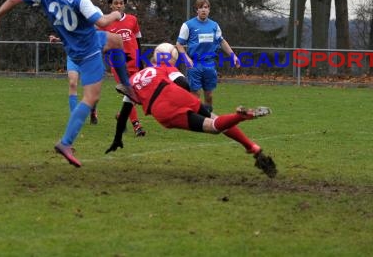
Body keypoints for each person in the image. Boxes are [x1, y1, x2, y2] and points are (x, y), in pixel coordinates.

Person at [0, 0, 140, 168]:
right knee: (91, 96)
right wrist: (116, 14)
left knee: (115, 40)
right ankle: (66, 143)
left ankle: (126, 85)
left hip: (75, 46)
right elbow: (103, 22)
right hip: (89, 50)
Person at [105, 44, 277, 178]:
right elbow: (184, 84)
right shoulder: (164, 68)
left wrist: (117, 139)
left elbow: (124, 114)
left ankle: (240, 118)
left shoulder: (134, 79)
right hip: (178, 95)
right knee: (216, 120)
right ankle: (252, 146)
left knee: (213, 127)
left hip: (163, 108)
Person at [176, 0, 240, 113]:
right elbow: (179, 44)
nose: (203, 10)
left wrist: (233, 56)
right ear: (196, 10)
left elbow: (221, 41)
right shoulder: (188, 25)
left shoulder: (214, 25)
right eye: (200, 8)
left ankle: (208, 116)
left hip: (209, 64)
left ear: (209, 10)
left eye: (206, 7)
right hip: (194, 64)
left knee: (209, 95)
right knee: (195, 94)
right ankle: (196, 120)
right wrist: (186, 58)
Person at [49, 0, 99, 125]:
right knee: (72, 83)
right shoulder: (67, 14)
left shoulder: (93, 12)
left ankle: (93, 110)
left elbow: (101, 28)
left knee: (91, 89)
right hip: (73, 55)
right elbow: (69, 36)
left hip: (90, 55)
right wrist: (57, 38)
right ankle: (74, 118)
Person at [98, 0, 145, 136]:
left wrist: (140, 59)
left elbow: (137, 40)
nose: (118, 5)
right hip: (118, 65)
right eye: (115, 3)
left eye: (121, 3)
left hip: (134, 63)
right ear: (110, 5)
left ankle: (121, 116)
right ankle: (137, 126)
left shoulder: (132, 20)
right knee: (129, 93)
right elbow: (101, 43)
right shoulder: (105, 23)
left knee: (138, 94)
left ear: (124, 5)